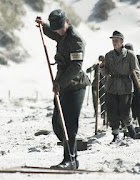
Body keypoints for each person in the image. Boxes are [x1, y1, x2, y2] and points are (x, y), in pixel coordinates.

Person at [35, 9, 90, 170]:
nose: (58, 31)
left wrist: (59, 83)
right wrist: (43, 25)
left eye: (60, 27)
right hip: (61, 85)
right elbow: (53, 34)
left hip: (75, 86)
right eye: (56, 28)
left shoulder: (76, 40)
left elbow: (76, 67)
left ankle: (71, 159)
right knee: (57, 124)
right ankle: (71, 149)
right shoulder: (62, 33)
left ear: (67, 22)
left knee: (69, 124)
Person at [99, 31, 140, 143]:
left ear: (122, 41)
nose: (114, 43)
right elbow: (106, 73)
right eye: (113, 41)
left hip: (125, 86)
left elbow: (136, 71)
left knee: (125, 111)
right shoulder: (109, 55)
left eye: (116, 41)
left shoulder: (130, 55)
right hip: (112, 86)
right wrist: (102, 67)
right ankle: (115, 135)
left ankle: (131, 131)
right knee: (112, 111)